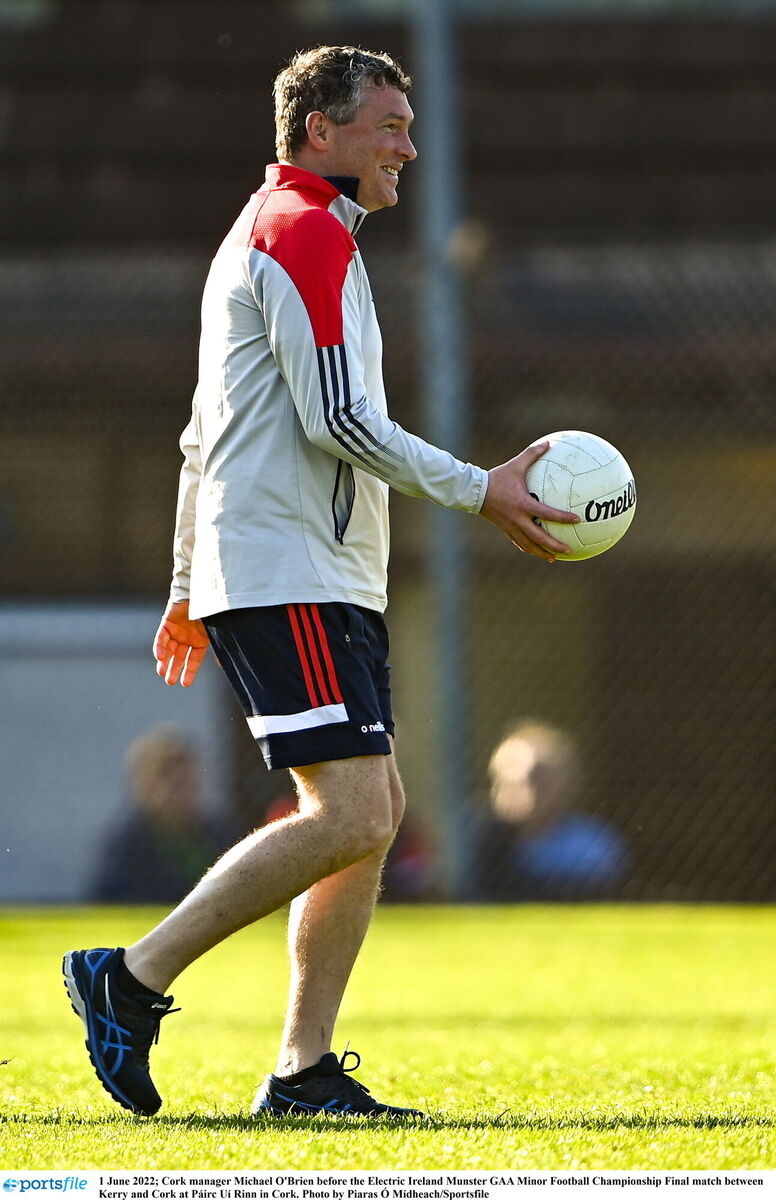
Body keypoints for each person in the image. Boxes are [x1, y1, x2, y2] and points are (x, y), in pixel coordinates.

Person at [63, 45, 578, 1120]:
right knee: (347, 811)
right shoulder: (297, 232)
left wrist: (183, 577)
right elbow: (339, 421)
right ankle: (131, 976)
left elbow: (206, 434)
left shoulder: (290, 232)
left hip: (300, 568)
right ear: (319, 135)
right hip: (290, 568)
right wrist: (479, 488)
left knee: (369, 810)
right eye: (387, 125)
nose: (407, 145)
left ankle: (300, 1071)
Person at [476, 721, 629, 901]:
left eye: (538, 780)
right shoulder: (473, 842)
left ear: (564, 783)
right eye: (505, 779)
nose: (521, 789)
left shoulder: (592, 845)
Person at [90, 725, 234, 905]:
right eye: (175, 787)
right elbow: (110, 897)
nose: (184, 796)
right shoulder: (129, 845)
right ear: (145, 787)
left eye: (190, 785)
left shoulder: (220, 834)